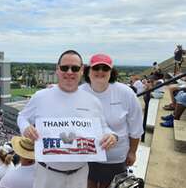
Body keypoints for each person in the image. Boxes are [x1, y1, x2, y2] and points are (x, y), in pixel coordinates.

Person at [17, 50, 118, 188]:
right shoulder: (40, 96)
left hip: (80, 175)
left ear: (82, 70)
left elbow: (102, 127)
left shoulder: (92, 101)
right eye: (65, 68)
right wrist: (26, 128)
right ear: (57, 69)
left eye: (75, 68)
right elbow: (22, 116)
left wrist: (112, 136)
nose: (69, 72)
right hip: (47, 175)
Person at [80, 54, 144, 188]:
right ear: (88, 71)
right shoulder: (79, 92)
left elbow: (136, 127)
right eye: (96, 68)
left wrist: (132, 152)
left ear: (111, 72)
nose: (100, 71)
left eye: (105, 68)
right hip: (87, 155)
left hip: (115, 158)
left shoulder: (126, 93)